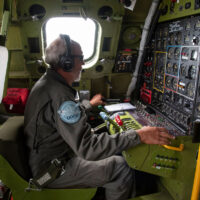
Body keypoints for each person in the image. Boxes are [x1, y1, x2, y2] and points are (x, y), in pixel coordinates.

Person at [24, 34, 175, 200]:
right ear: (66, 62)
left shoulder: (49, 84)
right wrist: (139, 135)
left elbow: (63, 116)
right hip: (52, 172)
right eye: (80, 58)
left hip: (56, 158)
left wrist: (89, 105)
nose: (83, 63)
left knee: (117, 152)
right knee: (120, 167)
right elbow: (89, 149)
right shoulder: (60, 94)